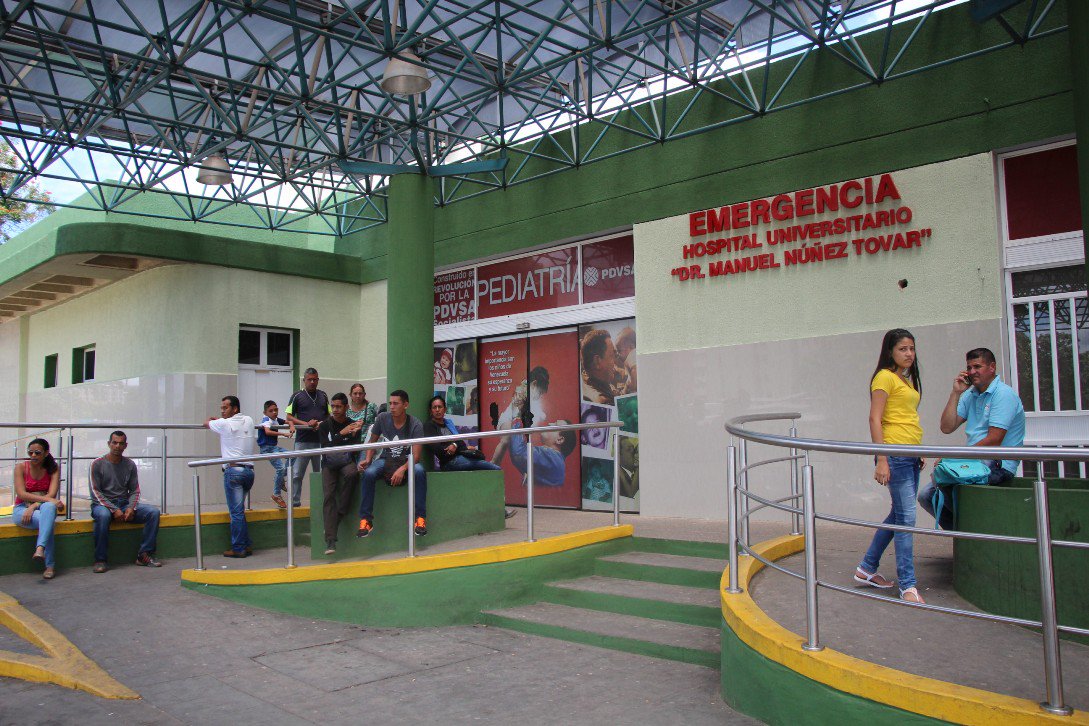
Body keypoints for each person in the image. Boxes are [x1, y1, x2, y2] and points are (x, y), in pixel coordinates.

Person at [918, 347, 1026, 530]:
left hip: (998, 464)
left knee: (947, 483)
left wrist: (954, 458)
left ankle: (975, 535)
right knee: (926, 496)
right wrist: (956, 393)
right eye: (969, 367)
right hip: (973, 462)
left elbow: (994, 439)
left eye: (978, 366)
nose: (972, 371)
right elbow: (946, 427)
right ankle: (965, 537)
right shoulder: (970, 394)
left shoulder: (1003, 394)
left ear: (992, 367)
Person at [855, 329, 926, 604]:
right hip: (894, 455)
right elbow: (875, 419)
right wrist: (881, 458)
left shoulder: (904, 380)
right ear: (890, 352)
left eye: (912, 348)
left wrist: (918, 450)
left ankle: (866, 568)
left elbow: (907, 417)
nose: (909, 354)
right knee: (906, 520)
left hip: (909, 454)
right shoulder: (884, 377)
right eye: (903, 349)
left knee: (898, 516)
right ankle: (908, 585)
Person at [356, 390, 428, 538]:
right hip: (385, 459)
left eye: (396, 403)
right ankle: (366, 520)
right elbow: (372, 441)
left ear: (406, 405)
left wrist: (402, 469)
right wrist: (368, 459)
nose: (392, 407)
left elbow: (416, 456)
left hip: (406, 461)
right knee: (368, 473)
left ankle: (420, 519)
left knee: (420, 471)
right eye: (390, 403)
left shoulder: (415, 424)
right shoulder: (382, 418)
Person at [89, 431, 162, 572]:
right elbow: (95, 492)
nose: (117, 446)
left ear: (125, 445)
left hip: (123, 504)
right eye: (114, 442)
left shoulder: (130, 465)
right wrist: (113, 509)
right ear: (109, 444)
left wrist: (131, 508)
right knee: (103, 516)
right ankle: (100, 560)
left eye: (121, 443)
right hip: (102, 505)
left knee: (153, 512)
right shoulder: (97, 464)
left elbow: (135, 490)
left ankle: (144, 555)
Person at [205, 395, 256, 558]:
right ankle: (246, 544)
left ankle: (239, 547)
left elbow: (206, 423)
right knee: (239, 511)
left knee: (236, 513)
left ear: (234, 409)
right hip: (249, 472)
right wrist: (221, 419)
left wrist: (216, 420)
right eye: (221, 408)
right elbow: (234, 424)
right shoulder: (248, 420)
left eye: (225, 408)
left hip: (233, 472)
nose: (222, 411)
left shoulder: (223, 424)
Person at [319, 393, 362, 554]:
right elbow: (325, 446)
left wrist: (353, 433)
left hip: (346, 461)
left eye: (338, 407)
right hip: (329, 463)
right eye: (333, 406)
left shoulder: (353, 424)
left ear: (346, 408)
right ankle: (331, 541)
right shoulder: (325, 425)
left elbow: (356, 447)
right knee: (329, 495)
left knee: (352, 474)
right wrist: (341, 434)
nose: (335, 410)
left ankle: (338, 516)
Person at [12, 438, 62, 579]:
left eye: (37, 453)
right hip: (22, 508)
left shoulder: (53, 468)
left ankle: (40, 549)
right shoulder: (21, 468)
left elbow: (52, 494)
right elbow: (21, 494)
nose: (33, 455)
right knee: (47, 518)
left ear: (46, 453)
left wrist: (34, 506)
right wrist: (47, 501)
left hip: (39, 508)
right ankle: (49, 565)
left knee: (49, 509)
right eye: (30, 452)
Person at [284, 368, 330, 508]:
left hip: (320, 441)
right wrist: (307, 424)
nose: (312, 382)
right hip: (303, 440)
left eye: (315, 379)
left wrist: (321, 424)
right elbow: (289, 417)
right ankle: (295, 501)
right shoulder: (297, 396)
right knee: (297, 473)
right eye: (309, 379)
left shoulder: (323, 395)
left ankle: (322, 501)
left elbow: (329, 415)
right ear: (304, 380)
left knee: (321, 473)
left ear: (318, 380)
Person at [491, 416, 577, 487]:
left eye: (555, 425)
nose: (549, 424)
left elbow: (519, 454)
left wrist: (515, 425)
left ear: (560, 439)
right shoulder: (554, 459)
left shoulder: (553, 458)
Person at [258, 400, 294, 509]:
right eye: (271, 411)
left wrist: (292, 426)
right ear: (265, 412)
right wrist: (283, 433)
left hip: (274, 447)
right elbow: (268, 431)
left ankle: (280, 478)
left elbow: (289, 421)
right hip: (267, 448)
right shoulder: (266, 420)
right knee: (281, 468)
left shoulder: (277, 419)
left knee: (293, 455)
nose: (274, 412)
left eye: (276, 410)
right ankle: (276, 494)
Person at [581, 329, 620, 404]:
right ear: (597, 361)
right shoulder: (603, 401)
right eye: (611, 356)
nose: (615, 362)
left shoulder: (587, 384)